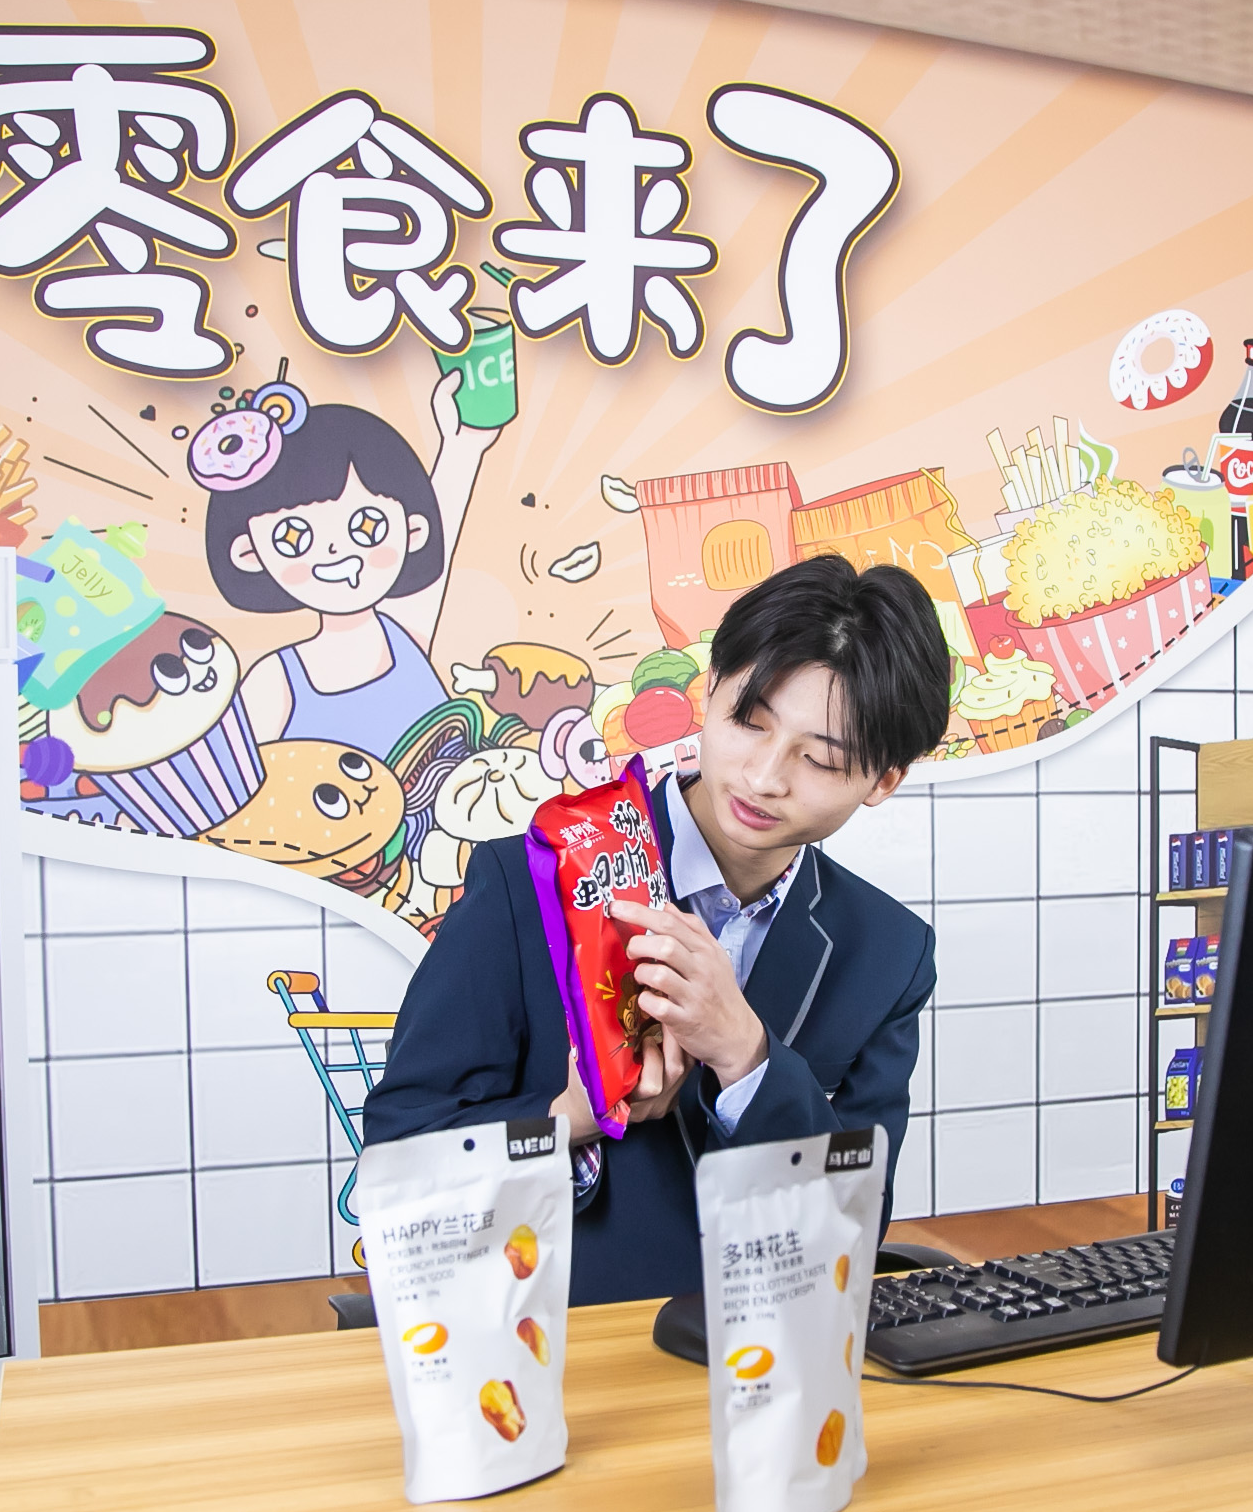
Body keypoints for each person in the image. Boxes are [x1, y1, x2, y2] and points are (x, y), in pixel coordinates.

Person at [363, 557, 953, 1303]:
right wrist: (570, 1118)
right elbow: (400, 1153)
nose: (764, 777)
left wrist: (747, 1055)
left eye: (820, 759)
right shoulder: (528, 880)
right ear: (709, 691)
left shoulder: (888, 953)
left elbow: (854, 1223)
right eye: (749, 722)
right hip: (556, 1338)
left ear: (884, 780)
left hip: (768, 1345)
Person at [203, 372, 496, 760]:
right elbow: (231, 776)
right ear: (250, 555)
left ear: (413, 531)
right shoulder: (276, 682)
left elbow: (444, 521)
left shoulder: (401, 634)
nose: (334, 550)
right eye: (294, 537)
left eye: (366, 526)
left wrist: (463, 448)